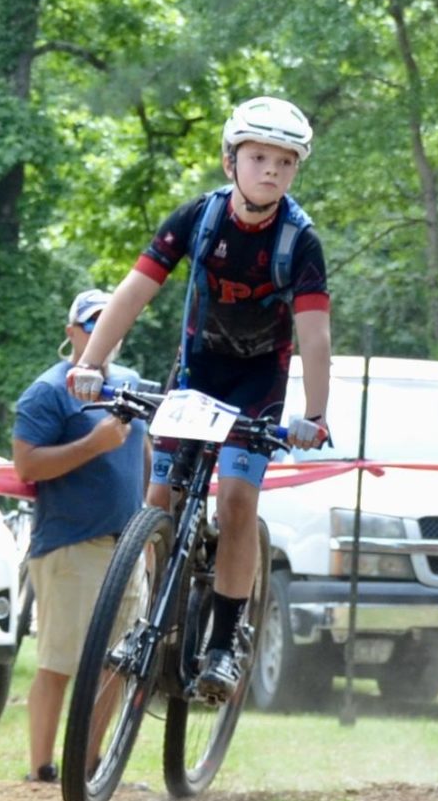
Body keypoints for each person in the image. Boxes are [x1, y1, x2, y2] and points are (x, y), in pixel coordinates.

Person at [69, 96, 333, 703]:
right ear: (229, 161)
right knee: (160, 499)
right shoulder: (198, 218)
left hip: (258, 384)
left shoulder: (300, 241)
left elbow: (315, 337)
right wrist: (89, 363)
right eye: (259, 157)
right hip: (195, 374)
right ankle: (151, 621)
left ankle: (222, 642)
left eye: (285, 162)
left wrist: (314, 416)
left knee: (238, 500)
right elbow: (132, 293)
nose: (271, 170)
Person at [12, 288, 148, 782]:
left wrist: (150, 539)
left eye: (111, 323)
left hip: (126, 549)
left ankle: (89, 766)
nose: (102, 334)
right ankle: (42, 768)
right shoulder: (48, 391)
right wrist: (94, 443)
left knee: (117, 663)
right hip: (71, 547)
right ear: (71, 333)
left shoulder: (133, 386)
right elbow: (26, 463)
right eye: (91, 324)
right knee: (59, 662)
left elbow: (145, 462)